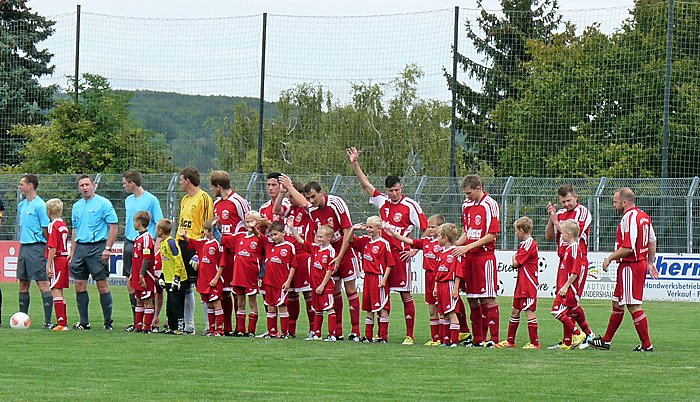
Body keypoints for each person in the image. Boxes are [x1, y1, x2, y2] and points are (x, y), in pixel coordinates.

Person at [347, 147, 428, 345]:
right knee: (380, 294)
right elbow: (366, 185)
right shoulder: (383, 202)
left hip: (400, 255)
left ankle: (409, 335)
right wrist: (355, 164)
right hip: (381, 256)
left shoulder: (410, 205)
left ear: (401, 188)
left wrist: (414, 250)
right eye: (391, 191)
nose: (394, 194)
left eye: (397, 190)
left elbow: (427, 229)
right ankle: (381, 335)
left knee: (405, 294)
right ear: (387, 191)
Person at [283, 180, 360, 341]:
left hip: (345, 251)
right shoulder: (312, 209)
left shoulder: (336, 203)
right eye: (309, 198)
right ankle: (337, 331)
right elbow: (303, 203)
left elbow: (348, 231)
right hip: (329, 254)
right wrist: (289, 187)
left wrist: (339, 257)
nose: (311, 201)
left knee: (351, 290)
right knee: (334, 291)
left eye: (313, 197)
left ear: (321, 192)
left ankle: (355, 331)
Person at [591, 188, 658, 352]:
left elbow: (628, 247)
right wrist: (650, 262)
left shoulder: (629, 217)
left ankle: (647, 345)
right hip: (636, 264)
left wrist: (609, 258)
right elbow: (652, 240)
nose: (614, 205)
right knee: (617, 303)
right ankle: (606, 341)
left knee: (633, 305)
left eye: (615, 202)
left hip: (631, 265)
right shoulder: (643, 216)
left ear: (624, 202)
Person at [386, 214, 470, 346]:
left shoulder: (446, 247)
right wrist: (395, 235)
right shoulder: (426, 241)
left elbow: (457, 267)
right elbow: (410, 241)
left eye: (433, 227)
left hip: (444, 280)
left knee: (446, 310)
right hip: (431, 278)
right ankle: (436, 338)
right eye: (428, 227)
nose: (430, 229)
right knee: (432, 310)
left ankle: (448, 338)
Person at [453, 174, 501, 347]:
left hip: (484, 257)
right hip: (469, 258)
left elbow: (492, 234)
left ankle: (494, 340)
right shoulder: (466, 205)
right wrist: (455, 246)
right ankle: (478, 339)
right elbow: (467, 231)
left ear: (478, 188)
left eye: (469, 193)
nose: (467, 197)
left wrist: (468, 247)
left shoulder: (490, 204)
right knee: (472, 298)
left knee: (488, 298)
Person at [545, 184, 594, 345]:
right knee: (565, 301)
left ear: (575, 197)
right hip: (563, 261)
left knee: (571, 300)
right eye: (563, 202)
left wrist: (556, 221)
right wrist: (551, 218)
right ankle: (569, 340)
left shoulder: (582, 212)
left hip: (577, 259)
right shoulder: (560, 214)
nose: (566, 204)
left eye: (568, 200)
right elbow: (549, 236)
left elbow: (573, 233)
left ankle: (586, 334)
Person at [69, 174, 118, 330]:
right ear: (79, 188)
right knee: (79, 284)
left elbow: (113, 226)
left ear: (93, 186)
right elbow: (75, 230)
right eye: (82, 185)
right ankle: (84, 322)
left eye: (87, 184)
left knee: (102, 284)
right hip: (80, 248)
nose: (85, 188)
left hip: (97, 247)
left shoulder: (104, 203)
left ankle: (108, 322)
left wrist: (108, 248)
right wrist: (72, 251)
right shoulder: (76, 206)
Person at [210, 170, 251, 336]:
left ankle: (240, 328)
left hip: (237, 251)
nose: (211, 190)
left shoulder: (238, 201)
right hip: (223, 250)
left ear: (219, 186)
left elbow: (250, 222)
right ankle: (226, 327)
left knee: (237, 290)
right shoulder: (217, 204)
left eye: (212, 186)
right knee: (224, 289)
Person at [122, 169, 164, 332]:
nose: (124, 186)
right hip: (130, 243)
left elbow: (160, 223)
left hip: (146, 245)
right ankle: (137, 321)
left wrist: (157, 245)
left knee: (149, 283)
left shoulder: (151, 200)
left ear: (132, 183)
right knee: (131, 282)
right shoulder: (128, 200)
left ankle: (152, 321)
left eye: (125, 183)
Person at [343, 217, 395, 343]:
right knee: (369, 308)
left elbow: (390, 264)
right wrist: (353, 229)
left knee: (383, 307)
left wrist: (384, 280)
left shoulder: (384, 243)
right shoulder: (365, 241)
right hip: (367, 278)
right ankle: (368, 336)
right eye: (367, 227)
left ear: (379, 228)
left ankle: (382, 336)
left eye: (371, 227)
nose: (368, 229)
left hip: (378, 277)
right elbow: (349, 240)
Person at [176, 166, 214, 334]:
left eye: (181, 180)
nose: (180, 183)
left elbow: (207, 226)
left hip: (197, 246)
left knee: (203, 286)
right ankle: (189, 325)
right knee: (185, 286)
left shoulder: (204, 198)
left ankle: (209, 325)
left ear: (188, 181)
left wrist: (200, 251)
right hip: (183, 245)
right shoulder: (185, 199)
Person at [277, 175, 315, 338]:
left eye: (291, 196)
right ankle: (290, 330)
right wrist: (281, 193)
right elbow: (276, 210)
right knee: (291, 294)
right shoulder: (290, 210)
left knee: (308, 294)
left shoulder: (308, 209)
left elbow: (305, 203)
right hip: (290, 257)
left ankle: (313, 329)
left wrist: (291, 188)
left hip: (303, 256)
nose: (290, 199)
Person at [496, 217, 540, 349]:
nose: (515, 233)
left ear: (521, 230)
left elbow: (515, 263)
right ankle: (510, 341)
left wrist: (514, 257)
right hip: (521, 283)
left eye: (516, 230)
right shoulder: (524, 244)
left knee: (529, 311)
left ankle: (535, 343)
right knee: (515, 311)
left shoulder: (529, 244)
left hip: (528, 283)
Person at [289, 223, 338, 342]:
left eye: (321, 237)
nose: (318, 239)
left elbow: (329, 270)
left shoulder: (330, 251)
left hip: (325, 286)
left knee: (329, 309)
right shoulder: (315, 248)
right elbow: (301, 241)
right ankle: (317, 334)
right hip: (315, 286)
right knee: (318, 310)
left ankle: (332, 335)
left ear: (329, 237)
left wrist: (322, 285)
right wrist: (292, 228)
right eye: (317, 236)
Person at [16, 174, 53, 329]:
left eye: (21, 184)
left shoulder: (40, 205)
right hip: (24, 247)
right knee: (23, 283)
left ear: (30, 185)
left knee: (42, 283)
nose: (19, 187)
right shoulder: (21, 205)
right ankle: (22, 319)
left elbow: (46, 229)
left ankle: (48, 321)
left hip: (37, 247)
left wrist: (47, 248)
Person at [548, 219, 588, 350]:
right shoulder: (569, 248)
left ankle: (578, 334)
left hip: (569, 288)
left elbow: (575, 271)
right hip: (564, 287)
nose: (561, 236)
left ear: (569, 234)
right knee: (567, 314)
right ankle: (567, 342)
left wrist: (566, 286)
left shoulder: (575, 248)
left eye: (562, 233)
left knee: (556, 311)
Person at [223, 211, 264, 336]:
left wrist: (261, 275)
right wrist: (215, 228)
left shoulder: (261, 239)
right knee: (240, 302)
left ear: (258, 223)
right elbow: (222, 240)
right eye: (247, 221)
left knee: (252, 302)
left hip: (251, 276)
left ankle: (251, 331)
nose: (249, 224)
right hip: (238, 276)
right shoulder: (239, 236)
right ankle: (241, 330)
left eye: (252, 221)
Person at [181, 219, 224, 336]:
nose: (204, 232)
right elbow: (192, 242)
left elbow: (222, 264)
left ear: (210, 231)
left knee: (216, 303)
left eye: (206, 230)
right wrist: (184, 236)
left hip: (213, 280)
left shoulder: (218, 244)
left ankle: (219, 330)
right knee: (209, 304)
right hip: (203, 280)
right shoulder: (202, 243)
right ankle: (212, 329)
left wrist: (216, 278)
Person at [262, 221, 297, 338]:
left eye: (275, 234)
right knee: (270, 306)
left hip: (281, 283)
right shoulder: (269, 245)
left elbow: (293, 266)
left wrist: (288, 281)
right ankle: (272, 332)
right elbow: (259, 236)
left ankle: (284, 333)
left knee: (282, 306)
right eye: (271, 235)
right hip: (268, 282)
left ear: (283, 233)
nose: (273, 237)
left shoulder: (289, 246)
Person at [434, 223, 465, 347]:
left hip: (449, 285)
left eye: (438, 236)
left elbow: (458, 272)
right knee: (444, 314)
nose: (437, 238)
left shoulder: (455, 252)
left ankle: (454, 341)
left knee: (451, 313)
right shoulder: (441, 253)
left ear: (445, 238)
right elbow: (438, 272)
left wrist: (456, 288)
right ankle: (445, 340)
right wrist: (436, 286)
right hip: (441, 285)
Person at [156, 219, 188, 334]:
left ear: (160, 231)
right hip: (168, 279)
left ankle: (179, 328)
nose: (156, 231)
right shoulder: (162, 243)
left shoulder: (171, 242)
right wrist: (162, 276)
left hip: (178, 279)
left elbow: (178, 259)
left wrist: (177, 277)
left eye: (157, 229)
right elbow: (166, 262)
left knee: (177, 304)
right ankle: (171, 326)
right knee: (170, 305)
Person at [45, 198, 70, 330]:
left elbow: (53, 247)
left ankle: (61, 323)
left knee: (54, 289)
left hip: (57, 259)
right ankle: (63, 321)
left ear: (49, 211)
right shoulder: (63, 225)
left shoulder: (52, 225)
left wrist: (48, 264)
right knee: (59, 290)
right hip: (64, 258)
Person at [130, 211, 156, 333]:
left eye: (134, 221)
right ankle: (138, 326)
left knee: (147, 300)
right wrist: (132, 274)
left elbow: (146, 258)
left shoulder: (146, 238)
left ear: (139, 222)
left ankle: (147, 327)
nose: (133, 224)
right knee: (139, 300)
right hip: (137, 275)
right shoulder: (138, 238)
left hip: (145, 275)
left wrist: (142, 274)